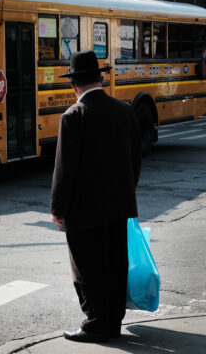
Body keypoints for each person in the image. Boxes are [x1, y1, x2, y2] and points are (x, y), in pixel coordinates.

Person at [50, 50, 142, 343]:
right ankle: (112, 319)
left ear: (73, 84)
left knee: (87, 268)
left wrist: (58, 208)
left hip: (83, 211)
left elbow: (65, 170)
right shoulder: (125, 110)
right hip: (118, 205)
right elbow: (134, 161)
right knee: (114, 263)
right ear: (100, 78)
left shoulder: (73, 116)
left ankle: (96, 323)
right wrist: (125, 192)